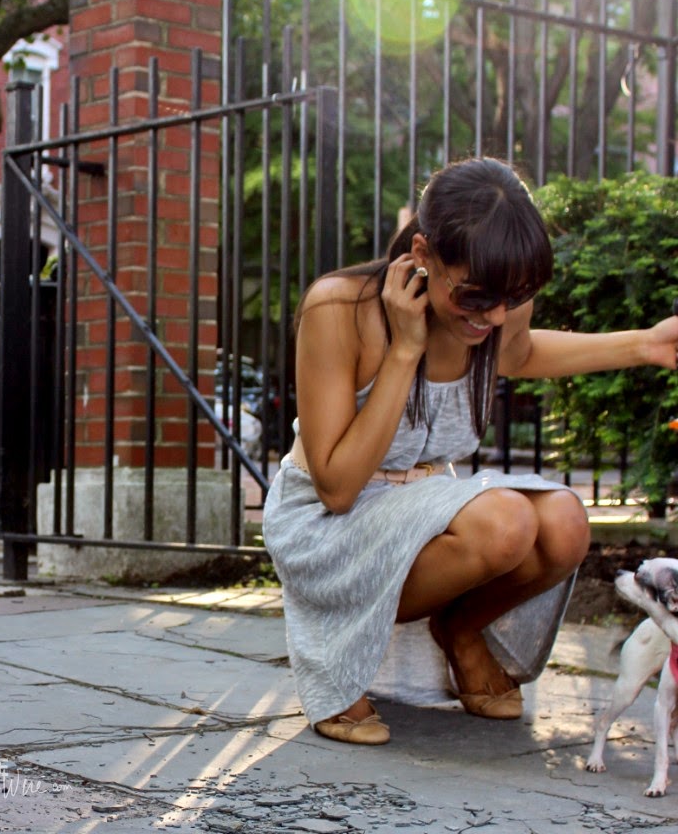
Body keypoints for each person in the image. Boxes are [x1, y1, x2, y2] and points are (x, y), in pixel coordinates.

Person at [263, 157, 678, 745]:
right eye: (477, 298)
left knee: (565, 523)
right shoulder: (339, 309)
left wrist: (647, 345)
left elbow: (521, 353)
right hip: (328, 526)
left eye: (514, 298)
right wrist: (404, 350)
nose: (497, 317)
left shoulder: (497, 300)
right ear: (423, 254)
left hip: (418, 507)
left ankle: (461, 628)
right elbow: (336, 487)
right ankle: (336, 655)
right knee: (505, 521)